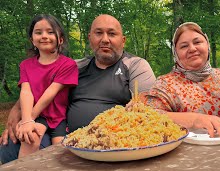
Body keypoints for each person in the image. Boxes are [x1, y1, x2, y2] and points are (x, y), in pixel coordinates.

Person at [0, 14, 156, 163]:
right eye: (98, 33)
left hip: (115, 139)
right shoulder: (74, 66)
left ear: (123, 40)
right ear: (90, 39)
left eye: (112, 34)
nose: (105, 39)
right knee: (11, 146)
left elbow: (145, 109)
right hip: (68, 135)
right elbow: (38, 87)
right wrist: (17, 110)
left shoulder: (135, 65)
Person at [145, 22, 220, 137]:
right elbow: (148, 115)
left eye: (197, 42)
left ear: (207, 45)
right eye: (184, 46)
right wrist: (194, 120)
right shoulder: (166, 84)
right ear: (176, 53)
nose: (192, 49)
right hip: (188, 151)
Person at [16, 14, 78, 158]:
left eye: (50, 32)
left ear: (60, 39)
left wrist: (27, 119)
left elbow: (51, 93)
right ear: (32, 40)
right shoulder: (26, 65)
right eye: (38, 32)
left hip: (58, 117)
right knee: (30, 138)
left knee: (61, 151)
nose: (44, 36)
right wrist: (27, 120)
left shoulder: (68, 64)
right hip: (38, 116)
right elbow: (26, 92)